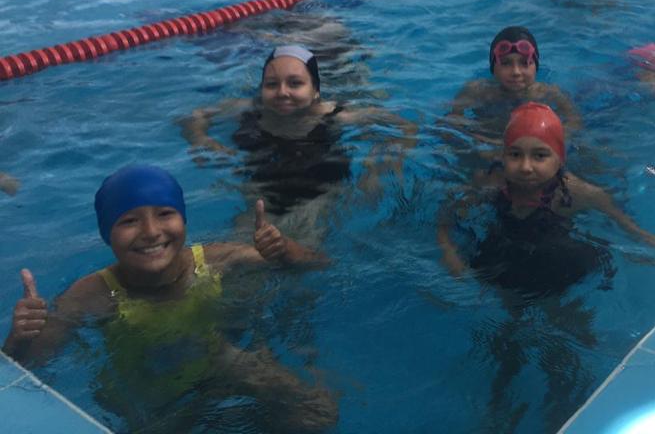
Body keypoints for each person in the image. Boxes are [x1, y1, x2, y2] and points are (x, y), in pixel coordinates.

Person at [3, 165, 337, 432]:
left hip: (219, 361)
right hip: (149, 397)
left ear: (183, 220)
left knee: (316, 415)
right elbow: (22, 373)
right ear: (107, 234)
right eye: (129, 221)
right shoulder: (91, 295)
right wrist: (19, 338)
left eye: (165, 213)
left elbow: (319, 264)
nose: (151, 232)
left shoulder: (217, 260)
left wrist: (284, 250)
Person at [437, 102, 655, 294]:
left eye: (540, 156)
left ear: (559, 159)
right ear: (503, 156)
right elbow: (446, 216)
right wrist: (450, 253)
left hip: (559, 256)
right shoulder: (491, 182)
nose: (525, 166)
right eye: (515, 154)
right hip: (504, 250)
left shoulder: (580, 193)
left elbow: (629, 230)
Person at [180, 45, 416, 240]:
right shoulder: (247, 109)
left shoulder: (336, 115)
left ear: (315, 90)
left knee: (300, 256)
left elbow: (405, 126)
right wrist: (201, 140)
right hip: (261, 194)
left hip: (319, 196)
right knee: (240, 252)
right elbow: (194, 116)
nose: (282, 92)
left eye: (295, 83)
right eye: (271, 84)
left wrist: (376, 167)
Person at [443, 27, 581, 161]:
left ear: (536, 67)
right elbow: (453, 119)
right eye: (506, 63)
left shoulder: (548, 94)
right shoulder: (477, 91)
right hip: (487, 146)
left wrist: (548, 140)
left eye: (525, 63)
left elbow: (574, 121)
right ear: (493, 68)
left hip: (530, 153)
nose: (516, 72)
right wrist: (475, 141)